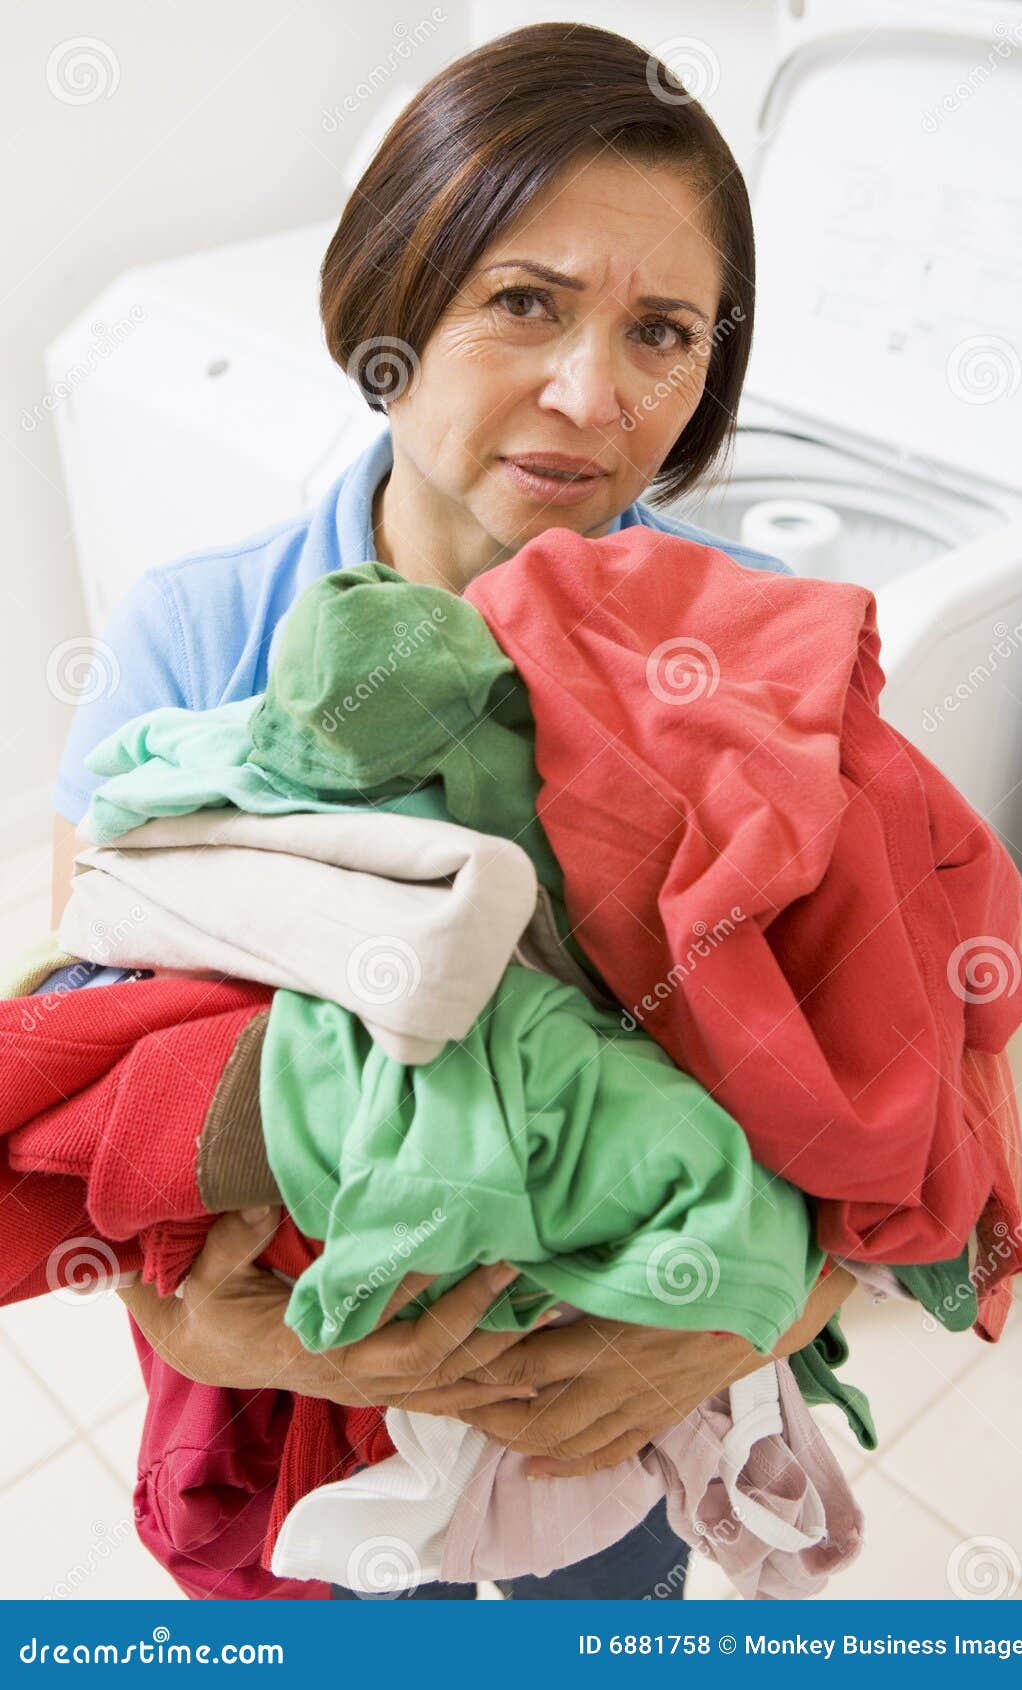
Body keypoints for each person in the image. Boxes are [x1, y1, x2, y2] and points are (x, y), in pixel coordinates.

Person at [49, 21, 854, 1600]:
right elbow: (87, 1066)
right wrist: (193, 1321)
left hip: (617, 1401)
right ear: (393, 307)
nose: (588, 393)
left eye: (662, 333)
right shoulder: (196, 639)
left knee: (600, 1599)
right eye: (524, 302)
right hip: (319, 1405)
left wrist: (759, 1303)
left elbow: (891, 1090)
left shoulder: (761, 646)